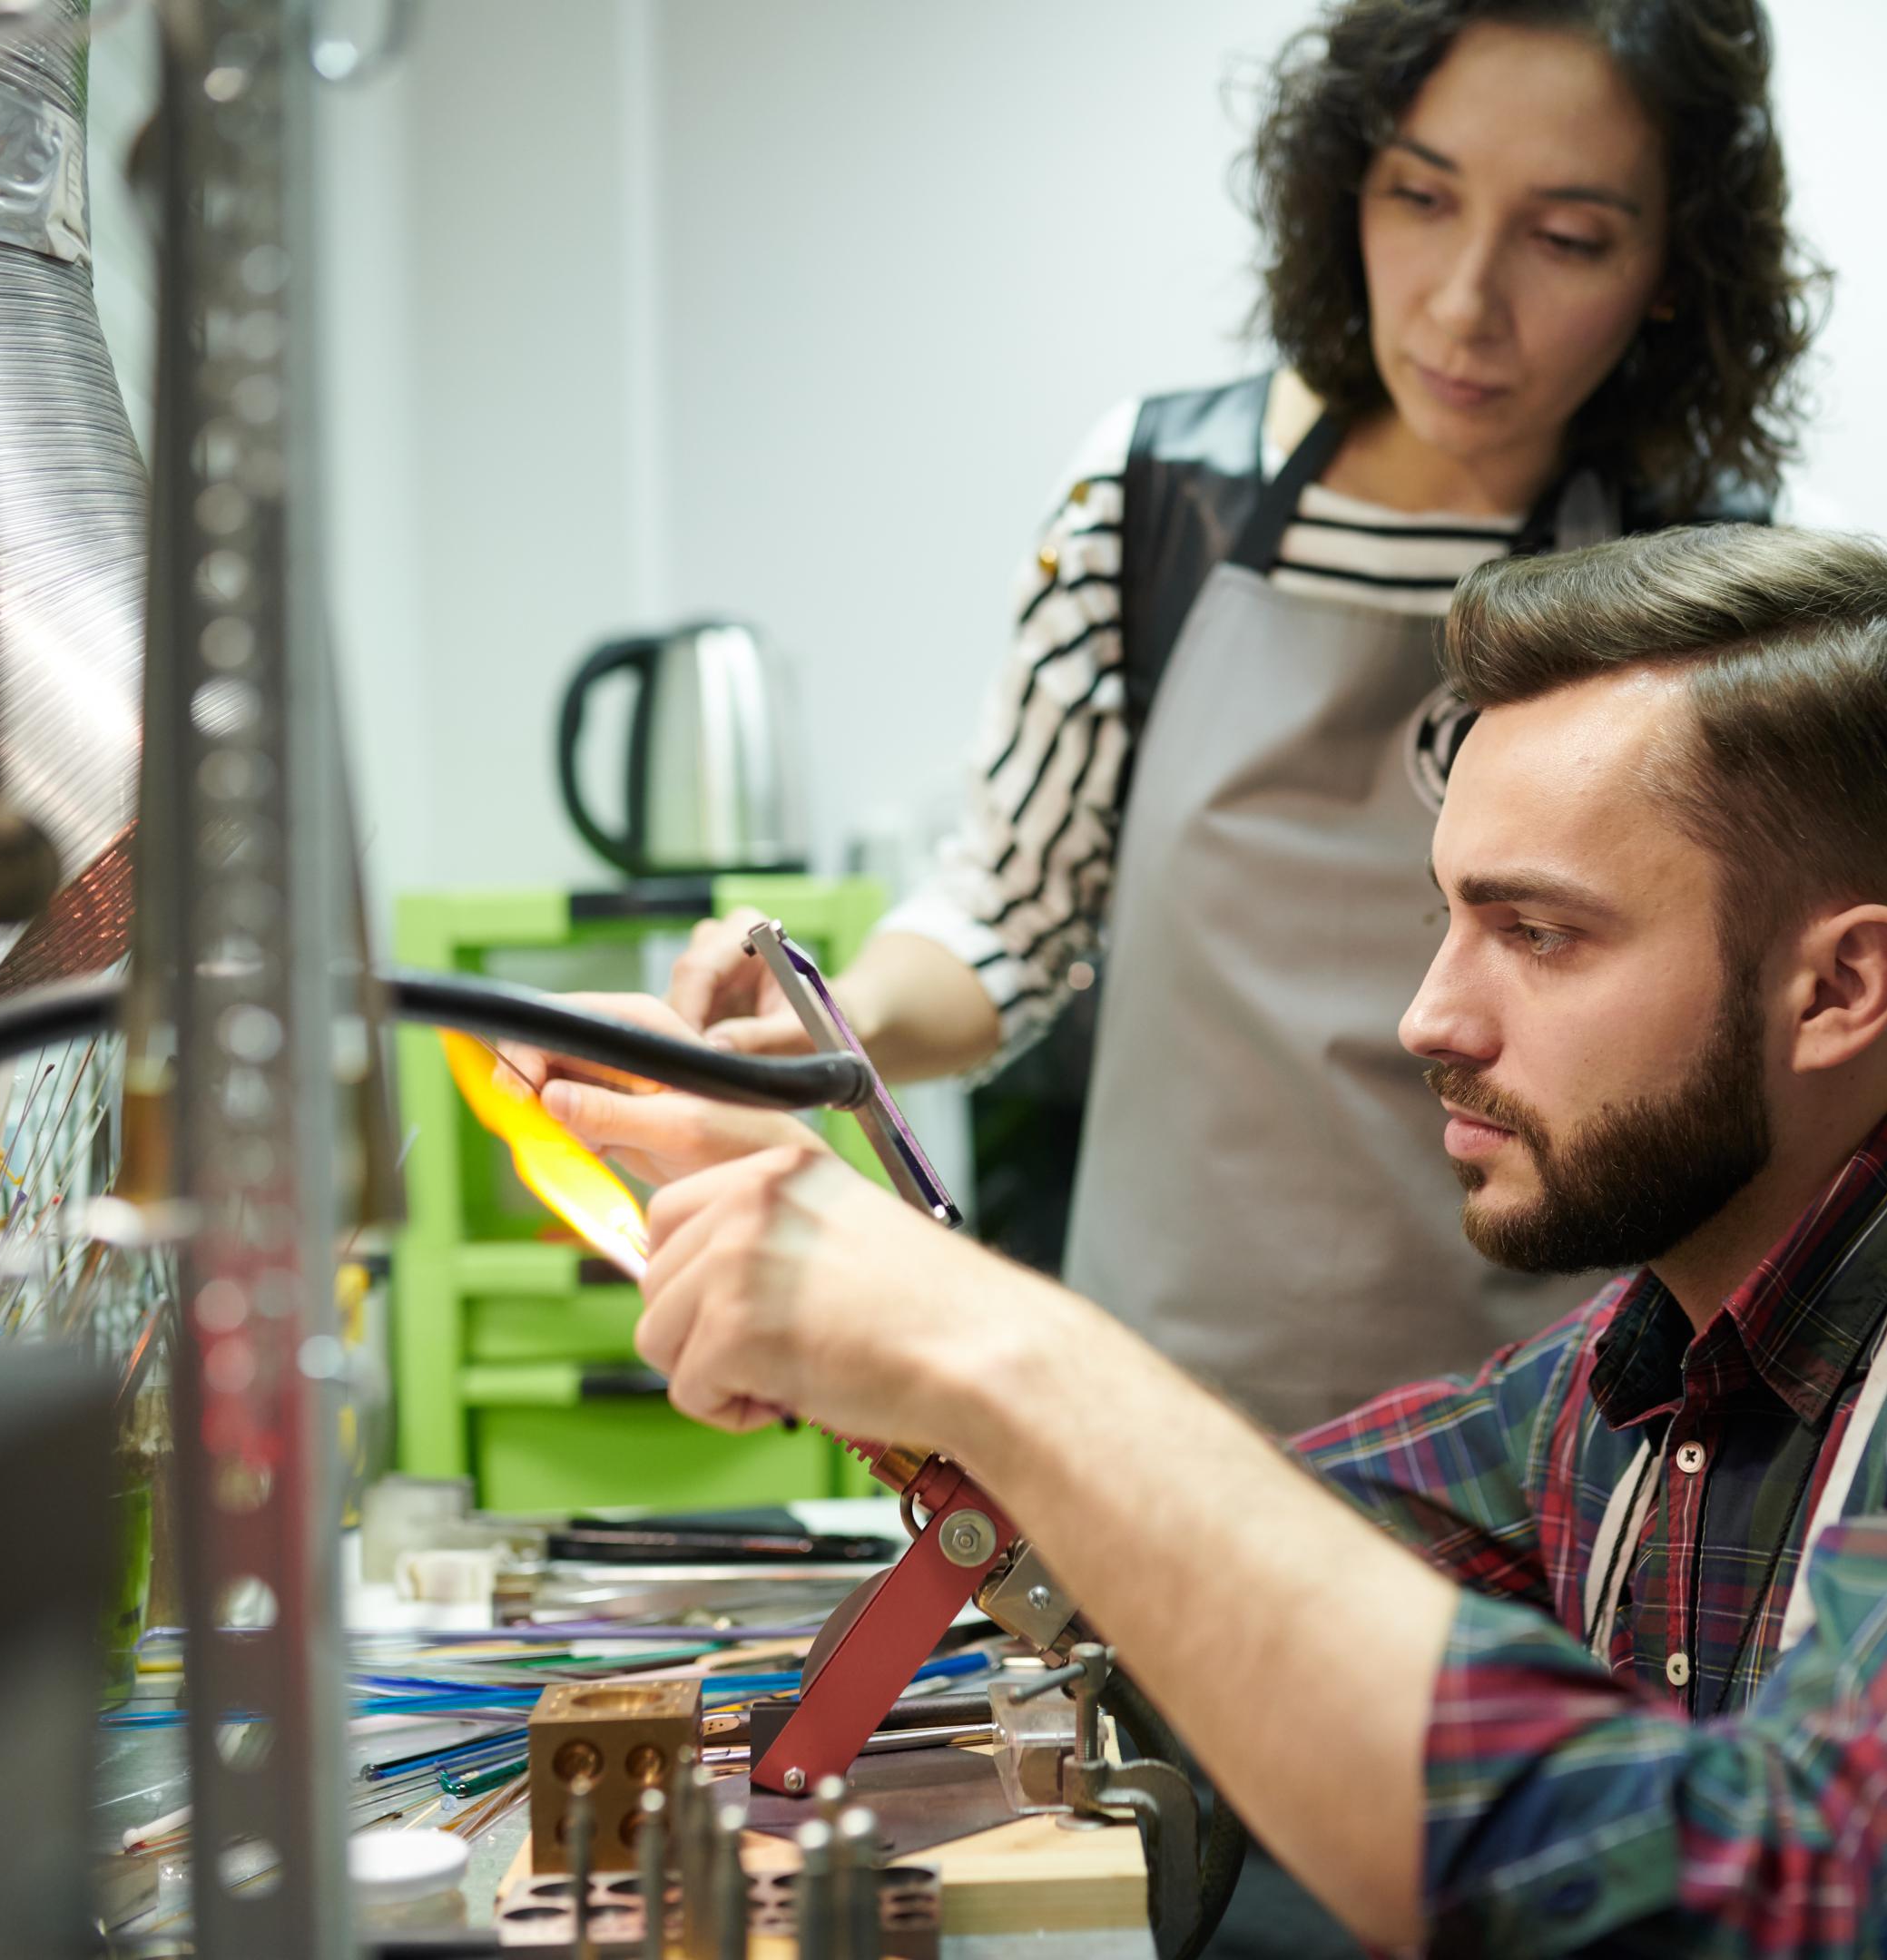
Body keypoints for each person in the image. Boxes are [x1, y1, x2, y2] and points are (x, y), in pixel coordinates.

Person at [602, 529, 1887, 1954]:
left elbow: (1813, 1905)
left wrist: (997, 1343)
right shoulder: (1612, 1392)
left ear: (1841, 986)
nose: (1427, 1016)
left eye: (1539, 934)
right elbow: (1185, 1572)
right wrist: (833, 1308)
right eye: (1450, 916)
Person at [553, 0, 1822, 1439]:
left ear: (1673, 267)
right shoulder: (1155, 496)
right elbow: (1015, 912)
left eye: (1569, 238)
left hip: (1573, 1442)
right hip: (1160, 1408)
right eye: (1418, 196)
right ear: (1343, 182)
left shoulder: (1732, 571)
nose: (1466, 301)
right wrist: (822, 1031)